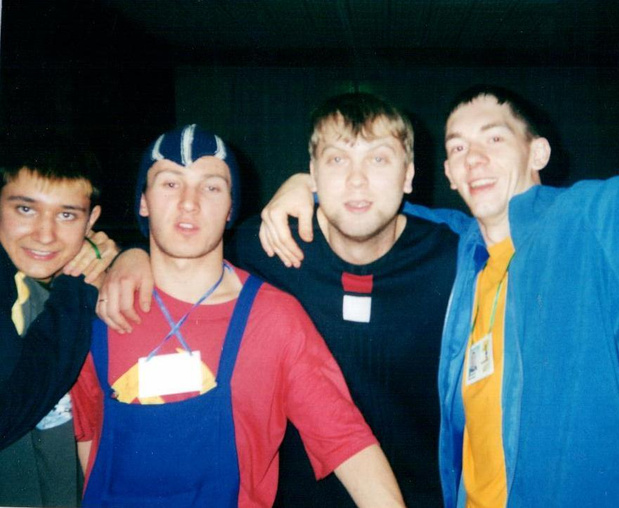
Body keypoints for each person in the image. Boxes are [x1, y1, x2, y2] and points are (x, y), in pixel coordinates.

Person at [97, 94, 619, 507]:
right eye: (337, 161)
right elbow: (184, 247)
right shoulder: (270, 247)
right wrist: (126, 256)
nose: (357, 181)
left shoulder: (459, 255)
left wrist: (582, 384)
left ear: (410, 175)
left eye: (379, 160)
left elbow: (527, 298)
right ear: (312, 175)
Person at [70, 124, 405, 508]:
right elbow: (87, 436)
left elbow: (346, 440)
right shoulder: (102, 309)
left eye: (211, 187)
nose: (189, 203)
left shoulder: (274, 320)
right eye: (170, 183)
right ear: (143, 201)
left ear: (231, 207)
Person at [0, 136, 118, 507]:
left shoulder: (51, 284)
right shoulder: (71, 290)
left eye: (66, 215)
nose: (45, 234)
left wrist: (128, 257)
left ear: (91, 221)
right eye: (25, 209)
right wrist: (78, 286)